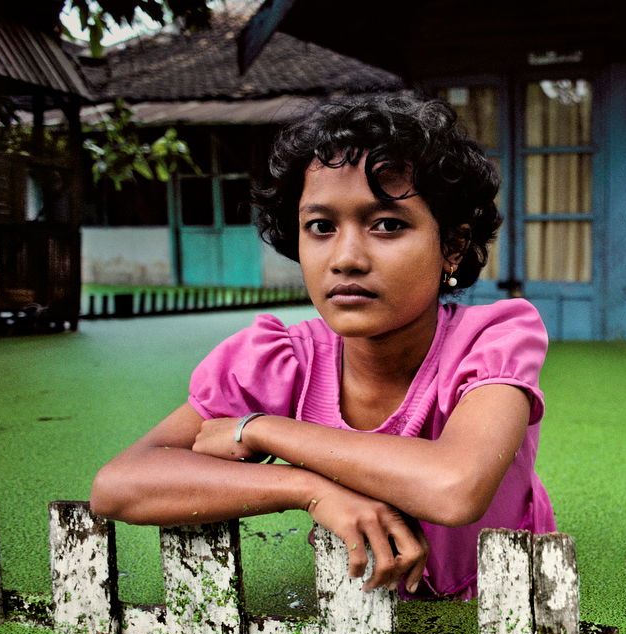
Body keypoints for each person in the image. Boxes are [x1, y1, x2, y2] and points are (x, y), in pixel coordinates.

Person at [90, 95, 555, 600]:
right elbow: (119, 485)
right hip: (355, 618)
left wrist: (265, 431)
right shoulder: (282, 360)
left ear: (453, 246)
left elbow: (454, 488)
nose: (346, 258)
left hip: (505, 606)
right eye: (321, 227)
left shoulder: (492, 340)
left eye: (388, 225)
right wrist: (308, 489)